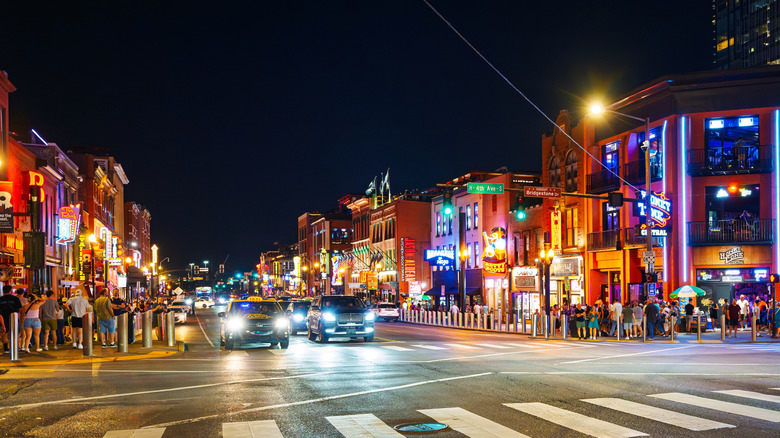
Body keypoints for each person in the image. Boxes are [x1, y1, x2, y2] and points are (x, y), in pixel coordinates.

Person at [0, 285, 22, 353]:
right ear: (11, 291)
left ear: (3, 291)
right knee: (15, 333)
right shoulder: (15, 298)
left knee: (5, 333)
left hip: (3, 318)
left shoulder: (0, 299)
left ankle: (6, 348)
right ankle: (14, 347)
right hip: (14, 317)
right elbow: (20, 309)